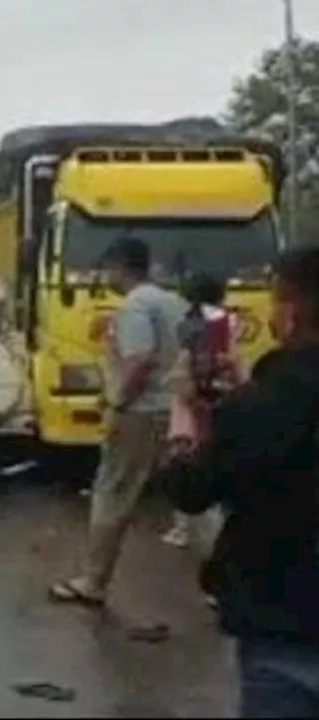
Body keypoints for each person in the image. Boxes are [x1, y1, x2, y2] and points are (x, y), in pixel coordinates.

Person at [159, 247, 319, 717]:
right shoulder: (263, 399)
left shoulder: (265, 405)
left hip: (284, 623)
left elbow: (191, 490)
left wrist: (189, 421)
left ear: (290, 313)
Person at [49, 235, 187, 606]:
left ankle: (94, 581)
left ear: (120, 265)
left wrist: (118, 400)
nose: (105, 275)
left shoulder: (135, 306)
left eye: (107, 267)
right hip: (174, 409)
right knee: (191, 497)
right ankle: (219, 581)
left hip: (139, 412)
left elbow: (139, 360)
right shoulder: (172, 302)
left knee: (113, 492)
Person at [161, 272, 243, 549]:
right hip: (220, 394)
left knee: (185, 457)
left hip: (193, 397)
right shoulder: (227, 320)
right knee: (211, 456)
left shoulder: (191, 323)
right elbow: (229, 358)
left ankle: (185, 528)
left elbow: (192, 361)